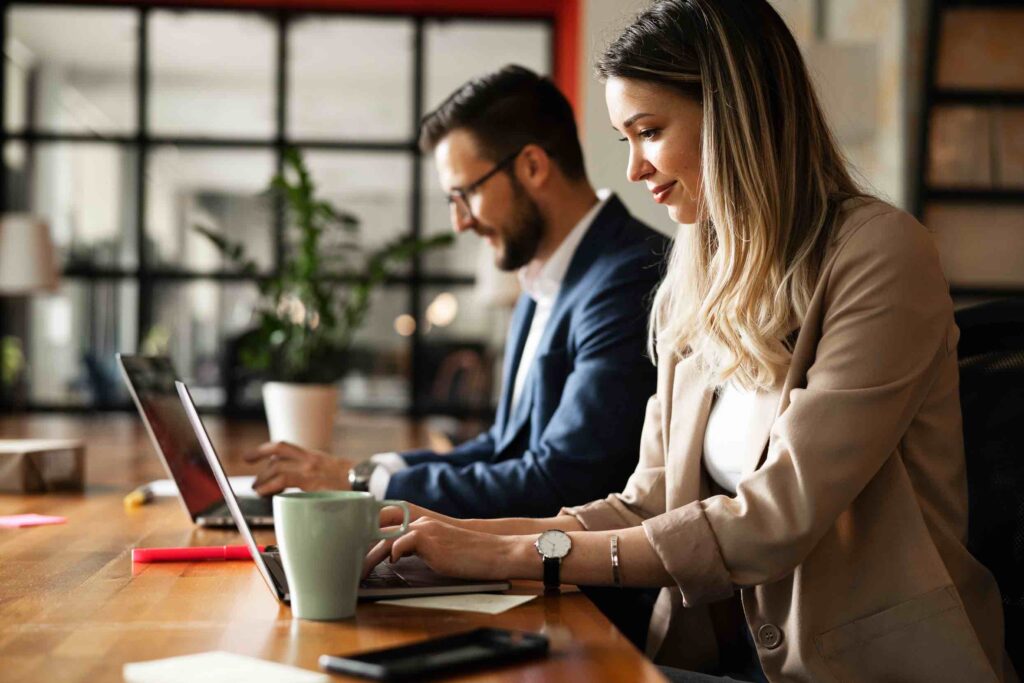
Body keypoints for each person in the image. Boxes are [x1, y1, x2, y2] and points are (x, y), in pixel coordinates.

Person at [361, 2, 1017, 682]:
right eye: (626, 138)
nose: (636, 170)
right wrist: (451, 533)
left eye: (649, 131)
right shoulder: (695, 269)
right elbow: (646, 501)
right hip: (726, 659)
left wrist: (514, 555)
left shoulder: (881, 255)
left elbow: (771, 520)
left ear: (737, 115)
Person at [247, 66, 669, 521]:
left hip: (580, 586)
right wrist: (367, 471)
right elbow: (503, 447)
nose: (460, 222)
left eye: (464, 194)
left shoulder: (630, 277)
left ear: (532, 167)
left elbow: (561, 481)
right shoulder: (542, 278)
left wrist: (357, 481)